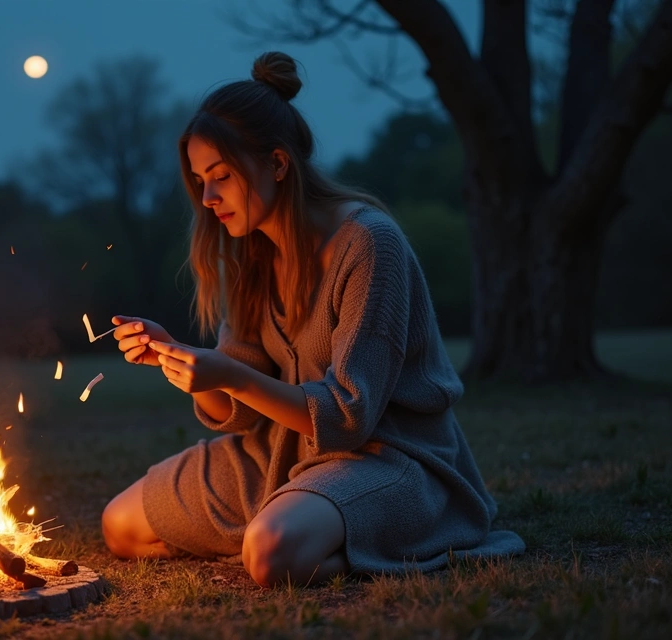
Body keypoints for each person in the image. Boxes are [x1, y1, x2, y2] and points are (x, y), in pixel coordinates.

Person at [101, 51, 524, 588]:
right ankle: (292, 522)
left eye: (221, 176)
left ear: (277, 164)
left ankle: (349, 532)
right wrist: (181, 364)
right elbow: (238, 413)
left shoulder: (369, 245)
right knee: (122, 527)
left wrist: (227, 374)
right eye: (199, 180)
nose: (207, 199)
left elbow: (350, 418)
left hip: (384, 458)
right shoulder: (252, 255)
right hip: (279, 454)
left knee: (274, 556)